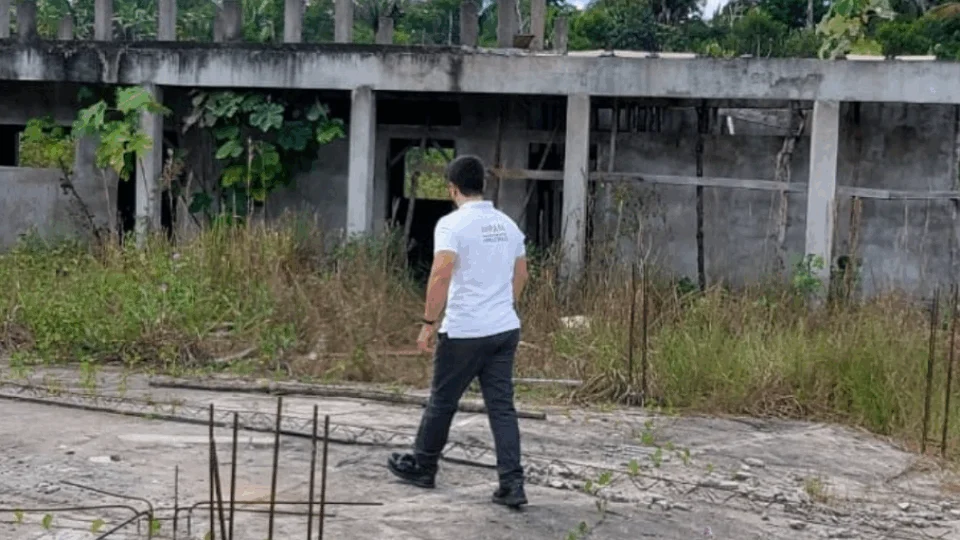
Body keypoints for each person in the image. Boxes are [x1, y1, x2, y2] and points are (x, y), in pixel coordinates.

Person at [387, 154, 530, 509]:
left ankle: (424, 465)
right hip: (503, 329)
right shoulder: (508, 225)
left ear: (452, 189)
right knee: (502, 408)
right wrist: (503, 305)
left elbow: (441, 274)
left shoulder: (452, 226)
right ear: (483, 185)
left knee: (442, 400)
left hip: (465, 331)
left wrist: (428, 323)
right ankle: (512, 483)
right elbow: (521, 275)